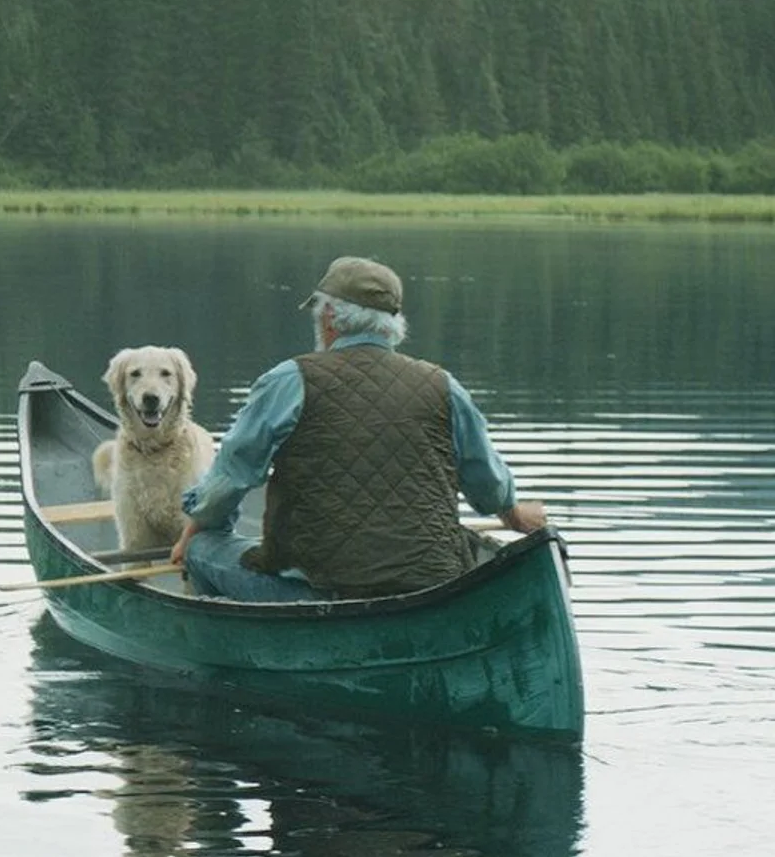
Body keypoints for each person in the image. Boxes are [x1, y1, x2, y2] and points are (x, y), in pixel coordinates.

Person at [168, 256, 547, 602]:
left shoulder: (290, 380)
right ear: (392, 325)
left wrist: (195, 529)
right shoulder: (443, 386)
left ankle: (221, 642)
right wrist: (513, 514)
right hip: (432, 586)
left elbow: (232, 477)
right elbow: (485, 479)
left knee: (202, 548)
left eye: (318, 312)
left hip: (318, 591)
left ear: (330, 316)